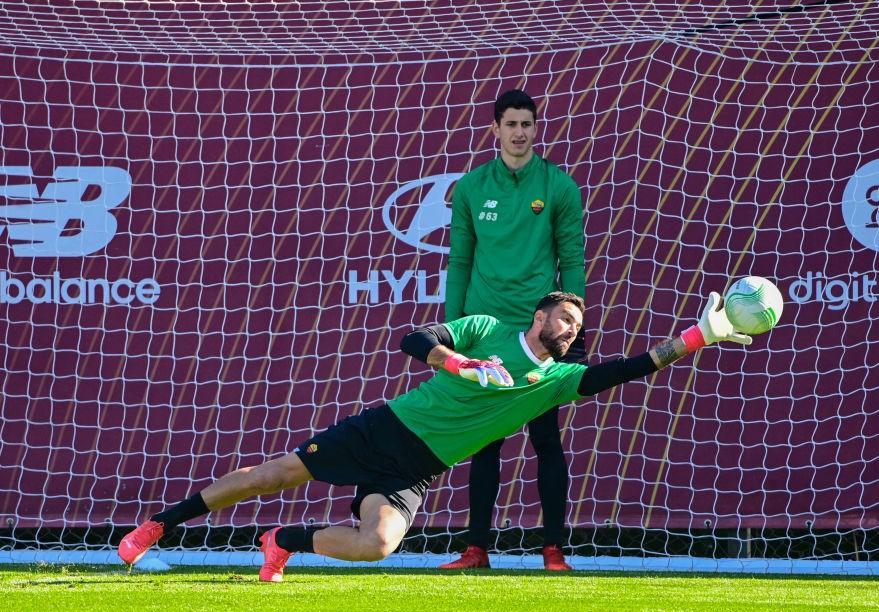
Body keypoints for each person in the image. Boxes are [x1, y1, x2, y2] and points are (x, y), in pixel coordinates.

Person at [117, 291, 752, 582]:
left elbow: (626, 368)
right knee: (269, 477)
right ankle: (159, 524)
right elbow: (414, 338)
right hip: (384, 429)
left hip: (418, 468)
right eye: (563, 316)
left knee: (378, 546)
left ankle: (281, 539)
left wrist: (699, 338)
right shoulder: (487, 328)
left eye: (576, 324)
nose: (570, 328)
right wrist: (461, 362)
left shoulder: (558, 379)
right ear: (539, 315)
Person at [442, 89, 586, 570]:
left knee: (546, 440)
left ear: (535, 128)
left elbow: (573, 261)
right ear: (496, 129)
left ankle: (553, 549)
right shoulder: (470, 187)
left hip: (539, 334)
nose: (519, 132)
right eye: (511, 124)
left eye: (527, 124)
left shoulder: (559, 186)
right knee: (485, 443)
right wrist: (453, 328)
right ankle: (476, 548)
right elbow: (459, 261)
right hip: (485, 333)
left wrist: (574, 325)